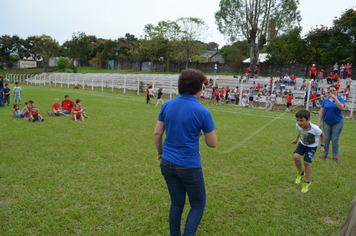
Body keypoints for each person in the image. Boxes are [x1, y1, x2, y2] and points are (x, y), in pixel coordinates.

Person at [154, 69, 217, 236]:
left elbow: (157, 134)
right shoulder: (203, 111)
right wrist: (203, 132)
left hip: (167, 162)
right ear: (199, 88)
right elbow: (213, 143)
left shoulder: (167, 104)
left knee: (177, 203)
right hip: (189, 166)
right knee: (197, 204)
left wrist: (160, 153)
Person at [291, 109, 325, 193]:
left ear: (308, 120)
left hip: (312, 146)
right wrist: (296, 139)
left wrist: (322, 146)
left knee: (306, 162)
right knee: (296, 157)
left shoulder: (315, 129)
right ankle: (300, 173)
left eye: (301, 120)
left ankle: (307, 182)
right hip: (302, 144)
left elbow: (322, 134)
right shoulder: (298, 125)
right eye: (298, 120)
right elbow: (300, 131)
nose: (299, 122)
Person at [318, 85, 345, 163]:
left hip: (337, 123)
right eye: (331, 91)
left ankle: (335, 156)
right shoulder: (325, 101)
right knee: (326, 139)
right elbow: (321, 112)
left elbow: (341, 107)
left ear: (337, 91)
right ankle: (325, 154)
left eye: (334, 90)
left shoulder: (340, 99)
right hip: (326, 122)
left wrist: (335, 98)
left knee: (335, 139)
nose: (332, 92)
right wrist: (319, 122)